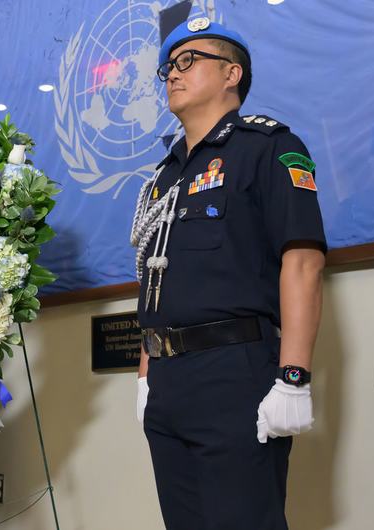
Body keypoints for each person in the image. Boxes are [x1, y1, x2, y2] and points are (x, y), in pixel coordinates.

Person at [130, 17, 325, 529]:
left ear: (231, 73)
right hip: (168, 380)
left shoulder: (268, 148)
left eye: (189, 61)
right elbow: (155, 278)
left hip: (235, 373)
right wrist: (147, 374)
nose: (173, 73)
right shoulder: (164, 175)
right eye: (169, 66)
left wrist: (294, 377)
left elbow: (302, 261)